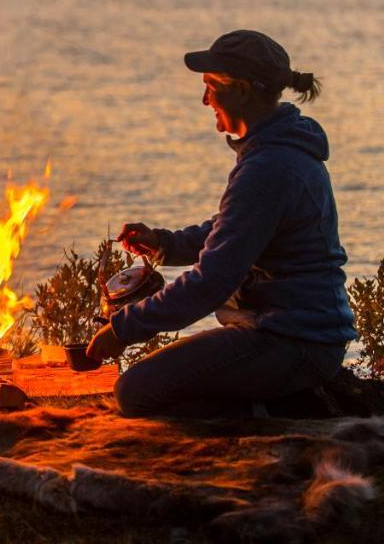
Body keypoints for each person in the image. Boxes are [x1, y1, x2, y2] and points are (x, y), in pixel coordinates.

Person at [87, 30, 357, 417]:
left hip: (292, 340)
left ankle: (269, 419)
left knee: (137, 391)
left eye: (211, 87)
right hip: (292, 331)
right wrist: (166, 244)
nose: (204, 99)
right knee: (159, 383)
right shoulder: (277, 152)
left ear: (243, 91)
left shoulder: (268, 168)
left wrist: (123, 330)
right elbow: (235, 229)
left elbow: (211, 283)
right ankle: (267, 402)